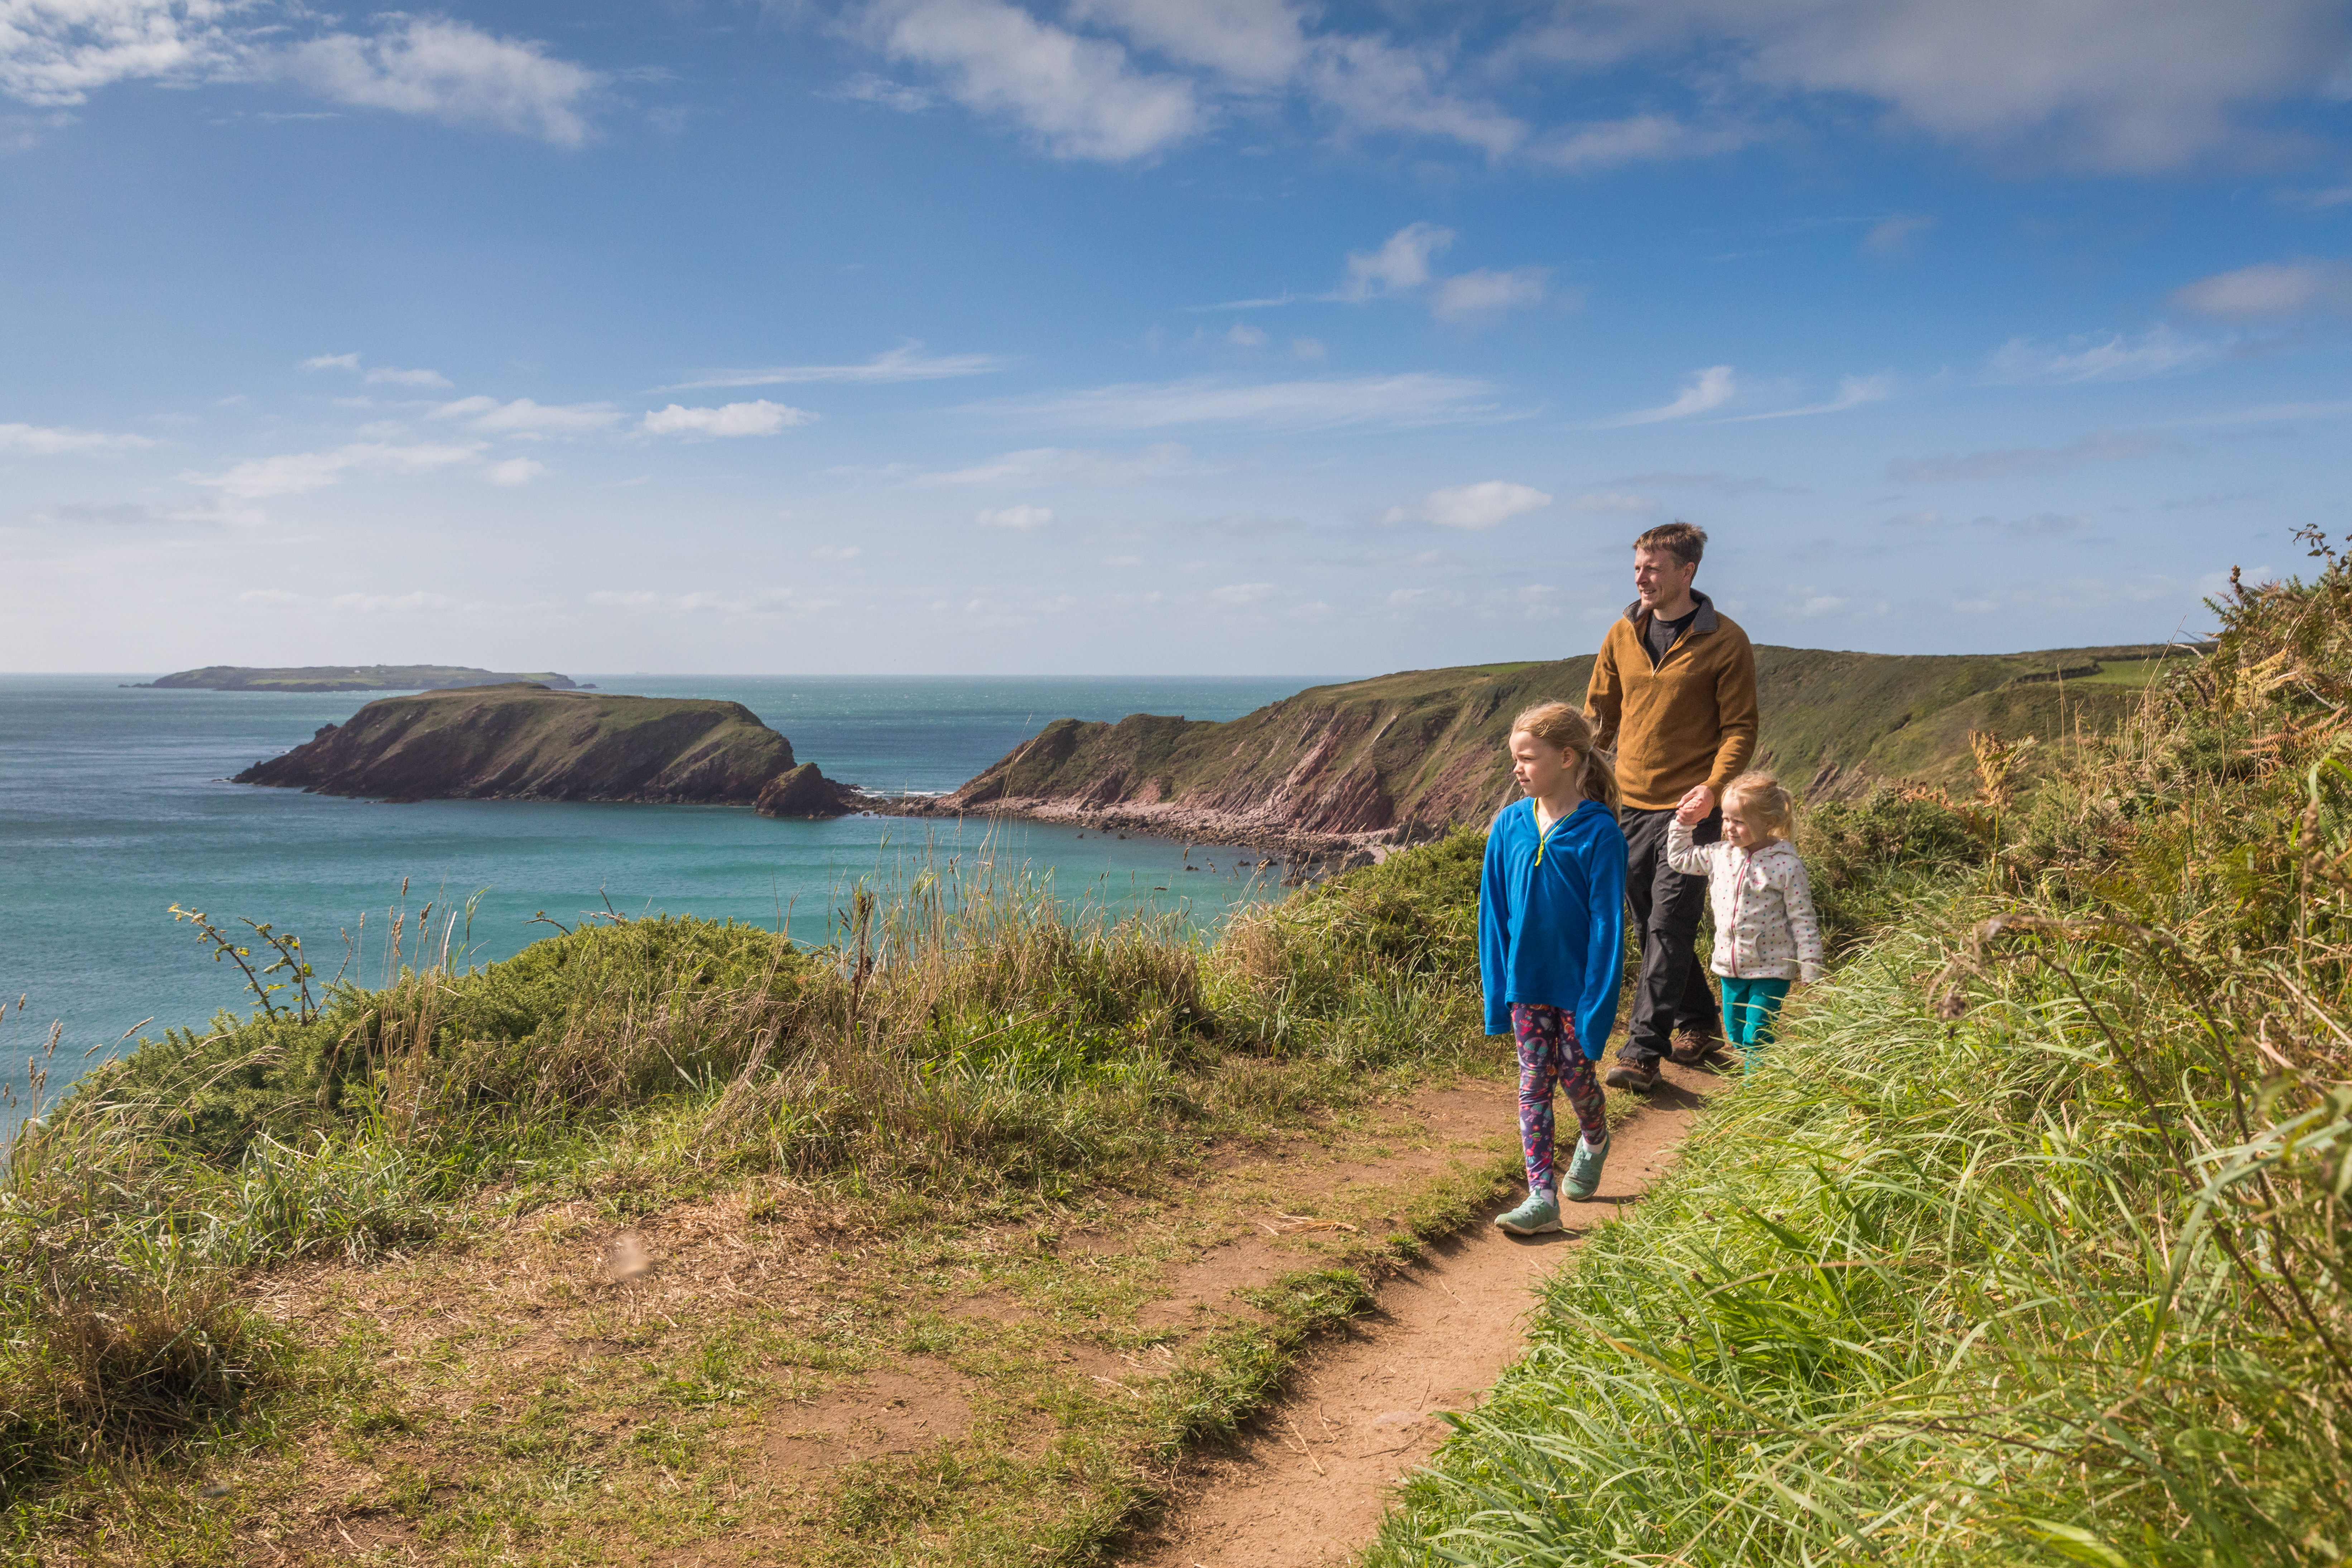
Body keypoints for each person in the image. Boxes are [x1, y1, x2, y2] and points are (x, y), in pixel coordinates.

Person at [1584, 521, 1759, 1091]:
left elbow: (1738, 728)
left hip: (1694, 809)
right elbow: (1600, 717)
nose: (1641, 576)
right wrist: (1578, 775)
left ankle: (1640, 1052)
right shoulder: (1621, 633)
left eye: (1653, 567)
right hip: (1630, 803)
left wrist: (1712, 787)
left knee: (1669, 921)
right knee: (1645, 922)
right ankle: (1699, 1021)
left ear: (1687, 571)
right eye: (1637, 566)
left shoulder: (1725, 640)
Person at [1478, 701, 1628, 1235]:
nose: (1516, 768)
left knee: (1574, 1076)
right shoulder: (1507, 826)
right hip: (1525, 985)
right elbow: (1492, 916)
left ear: (1566, 757)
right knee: (1531, 1083)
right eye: (1514, 758)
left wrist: (1596, 1004)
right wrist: (1497, 990)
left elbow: (1609, 926)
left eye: (1526, 758)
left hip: (1577, 987)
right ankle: (1540, 1194)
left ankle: (1594, 1136)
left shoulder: (1600, 833)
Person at [1666, 771, 1824, 1067]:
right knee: (1737, 1035)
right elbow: (1680, 859)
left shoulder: (1786, 866)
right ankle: (1760, 1083)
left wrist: (1811, 968)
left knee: (1756, 1037)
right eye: (1726, 819)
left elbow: (1803, 920)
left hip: (1773, 969)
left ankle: (1756, 1092)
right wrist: (1684, 824)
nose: (1728, 828)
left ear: (1767, 823)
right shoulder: (1720, 855)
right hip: (1730, 967)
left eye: (1738, 821)